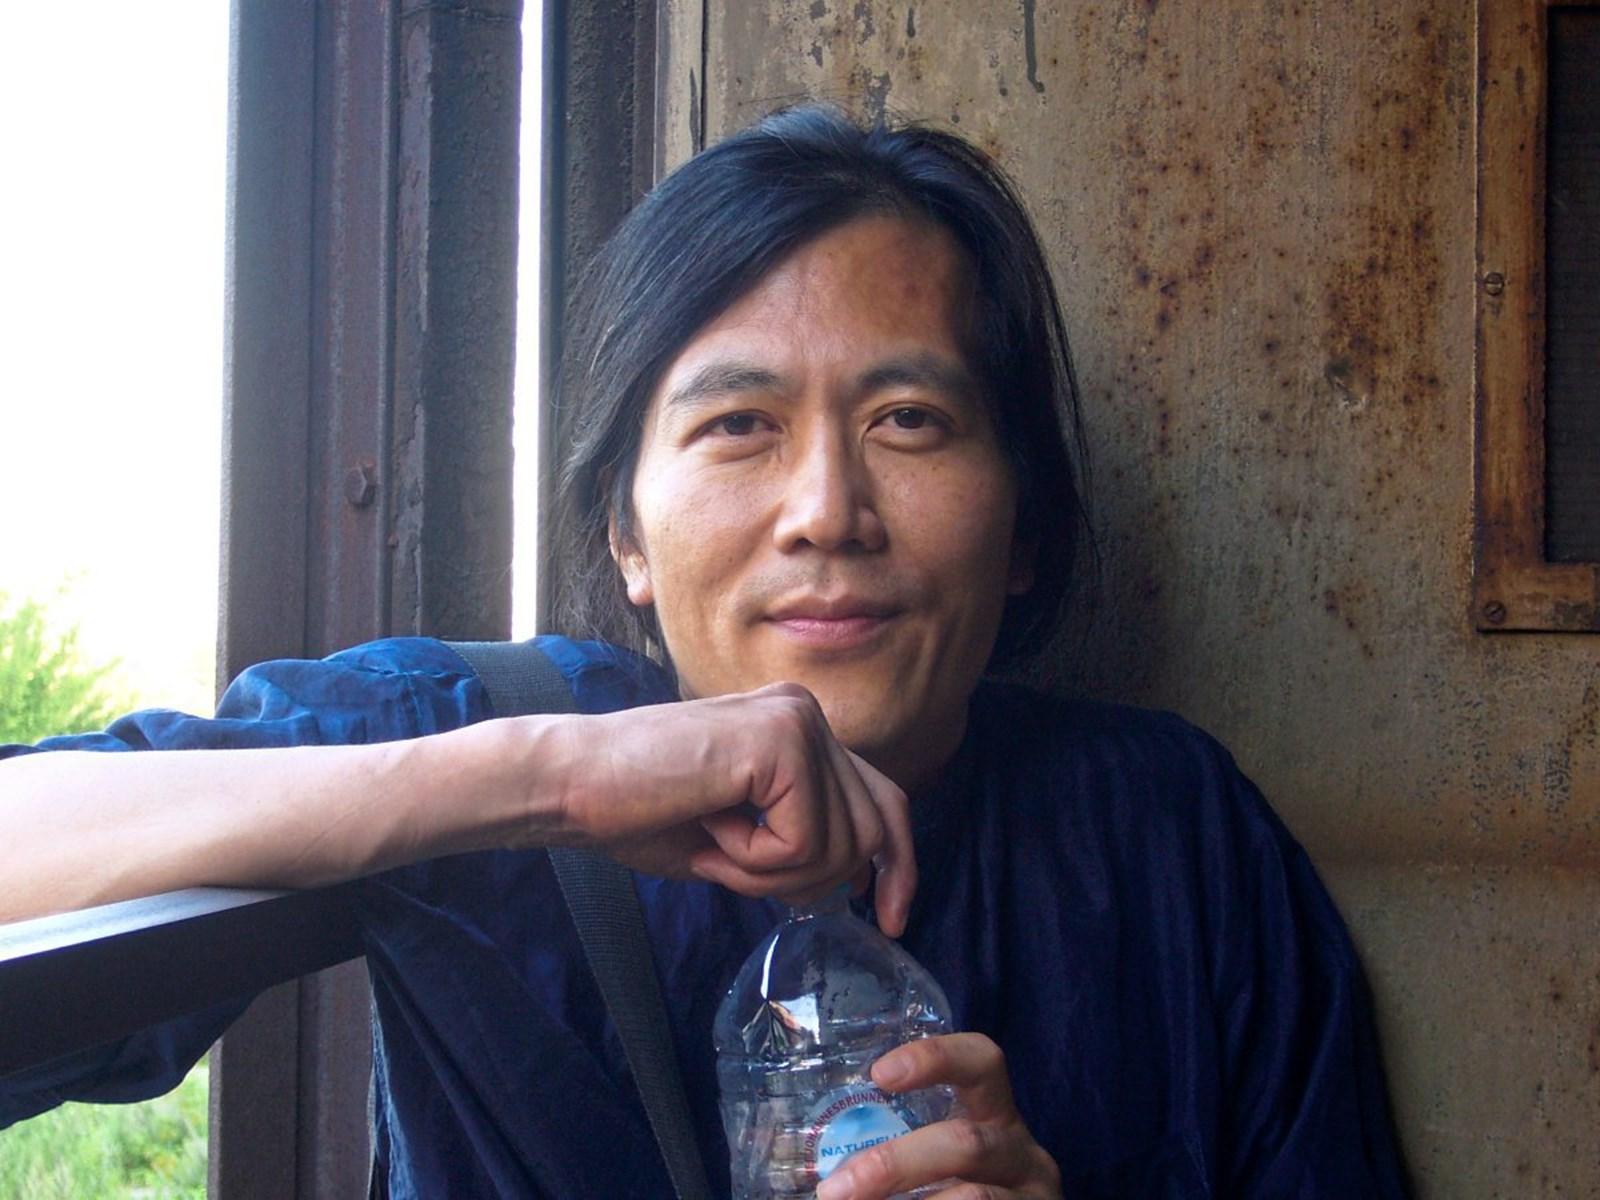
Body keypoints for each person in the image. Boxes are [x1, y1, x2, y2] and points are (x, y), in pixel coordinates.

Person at [0, 105, 1409, 1198]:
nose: (827, 511)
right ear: (624, 530)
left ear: (1026, 521)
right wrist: (542, 780)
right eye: (739, 426)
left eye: (909, 421)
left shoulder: (1170, 832)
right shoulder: (492, 731)